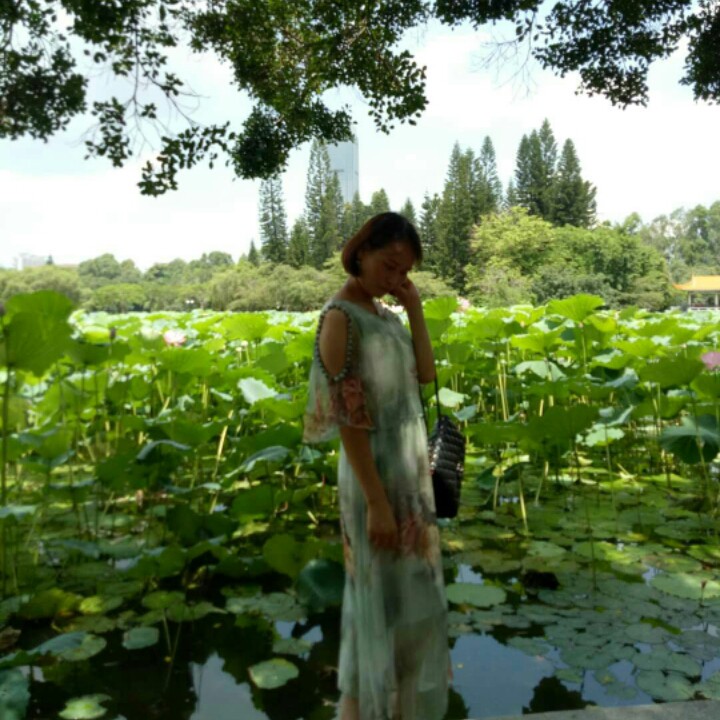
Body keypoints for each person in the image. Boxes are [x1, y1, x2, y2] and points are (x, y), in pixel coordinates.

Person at [303, 212, 451, 720]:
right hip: (376, 482)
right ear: (361, 252)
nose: (395, 277)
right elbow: (349, 421)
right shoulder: (341, 318)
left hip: (409, 474)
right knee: (375, 606)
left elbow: (425, 375)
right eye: (389, 265)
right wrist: (377, 505)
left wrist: (415, 309)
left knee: (413, 606)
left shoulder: (385, 314)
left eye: (404, 270)